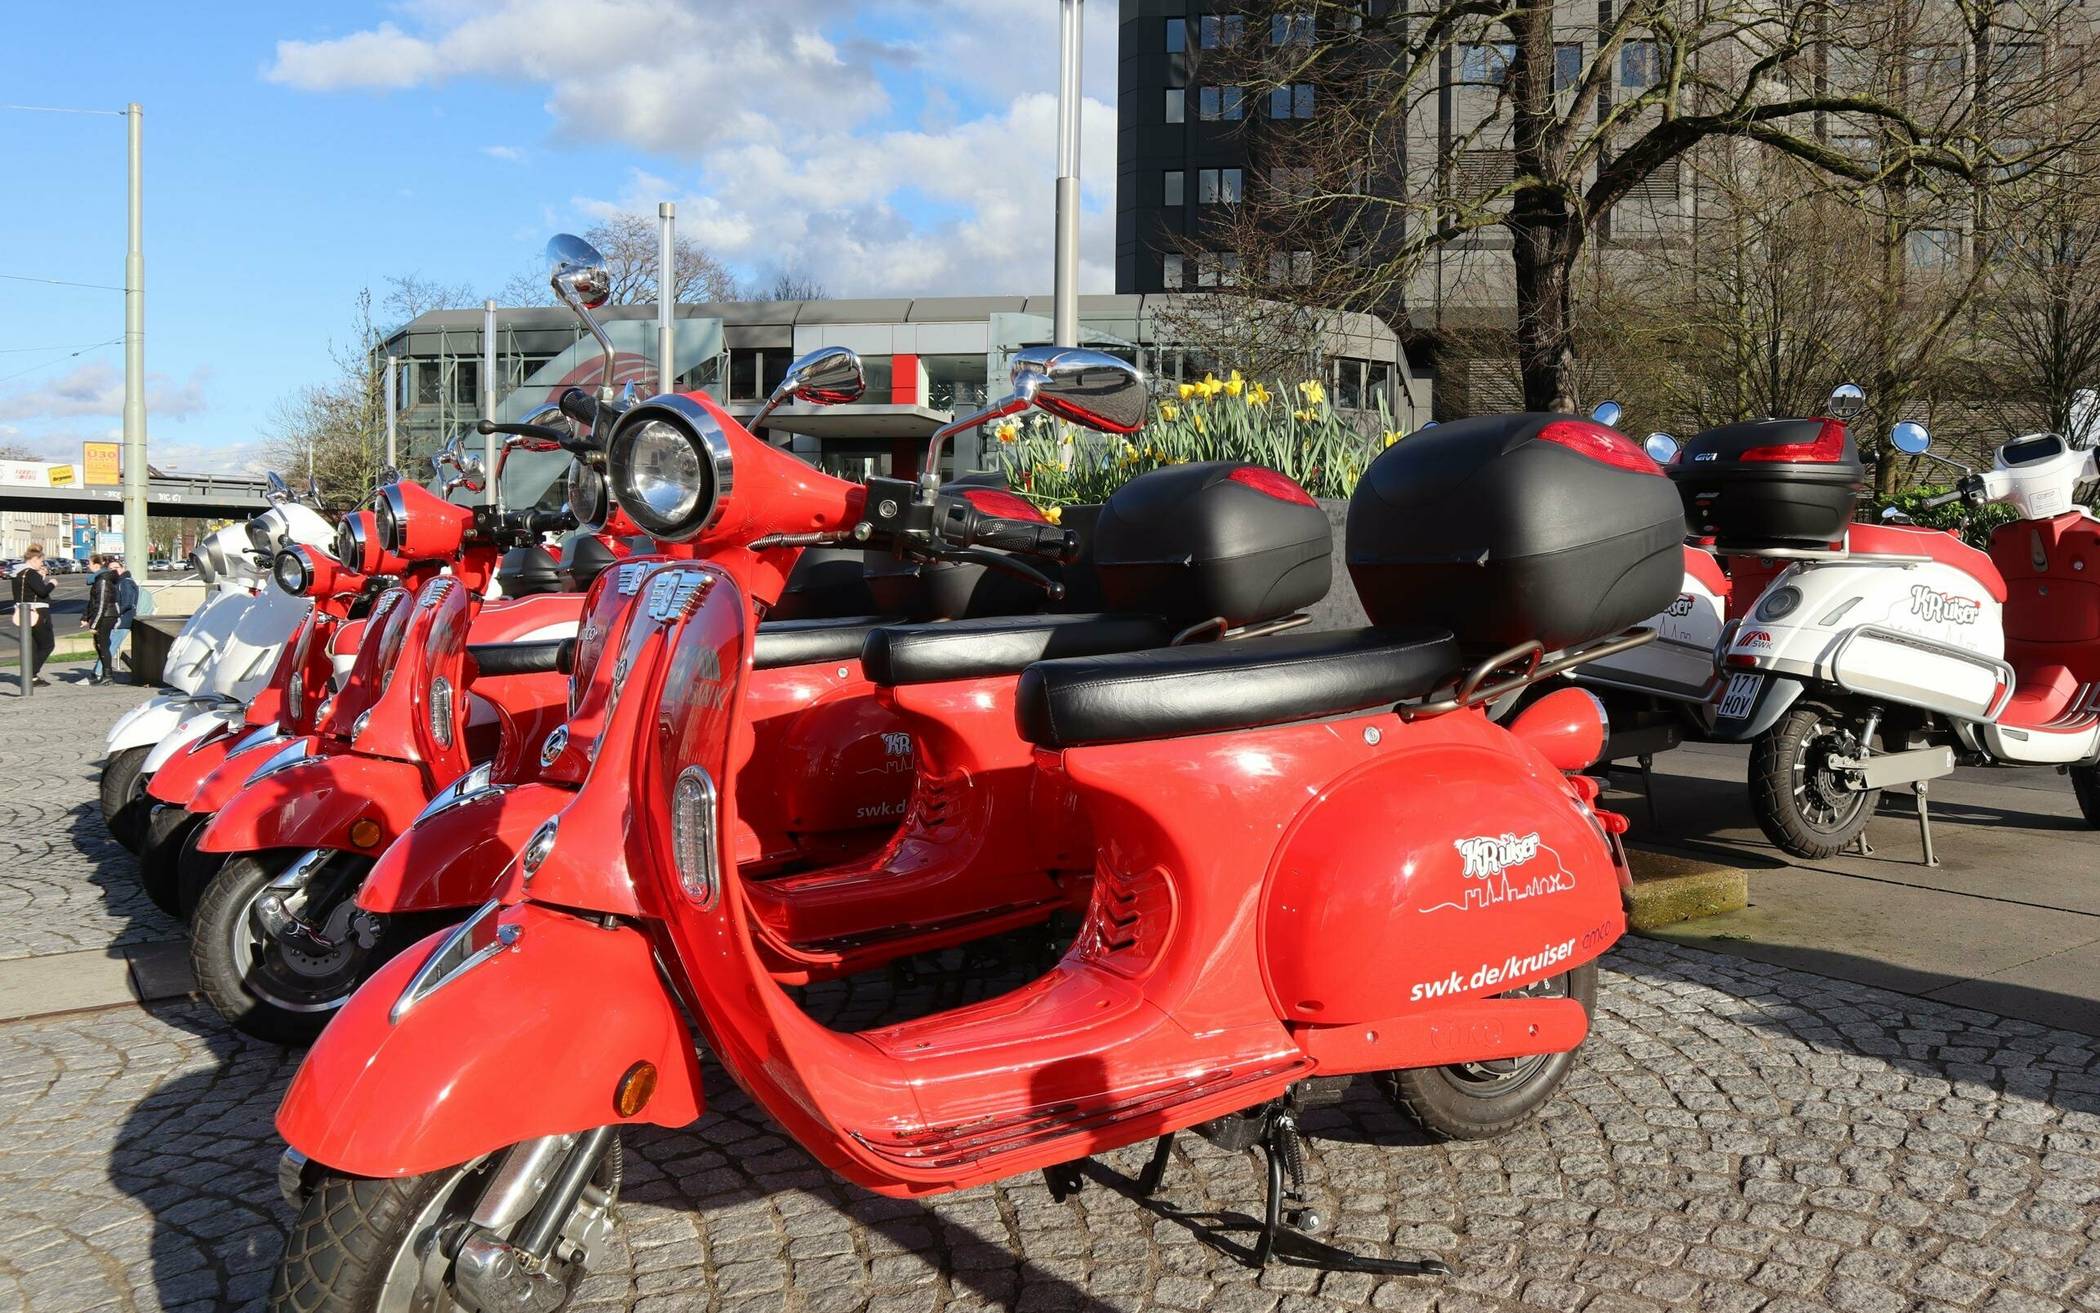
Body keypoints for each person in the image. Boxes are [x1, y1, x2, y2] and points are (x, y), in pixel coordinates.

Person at [9, 543, 54, 688]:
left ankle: (32, 677)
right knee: (47, 645)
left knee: (33, 645)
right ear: (34, 559)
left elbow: (27, 591)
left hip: (22, 612)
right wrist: (52, 583)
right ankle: (31, 674)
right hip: (38, 612)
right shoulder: (31, 573)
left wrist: (40, 578)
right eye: (41, 561)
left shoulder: (18, 574)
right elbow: (42, 592)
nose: (42, 564)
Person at [83, 554, 119, 684]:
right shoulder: (99, 579)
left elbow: (102, 603)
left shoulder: (103, 580)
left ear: (97, 565)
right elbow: (93, 601)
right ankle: (105, 675)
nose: (88, 565)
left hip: (106, 616)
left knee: (102, 645)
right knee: (100, 646)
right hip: (104, 615)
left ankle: (108, 676)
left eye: (89, 563)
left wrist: (94, 624)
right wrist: (85, 617)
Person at [108, 558, 139, 685]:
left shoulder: (125, 582)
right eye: (110, 569)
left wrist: (115, 613)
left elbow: (127, 603)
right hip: (120, 620)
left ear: (123, 568)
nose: (113, 571)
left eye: (116, 568)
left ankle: (99, 672)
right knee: (109, 647)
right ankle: (101, 671)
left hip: (122, 621)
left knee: (109, 648)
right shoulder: (120, 582)